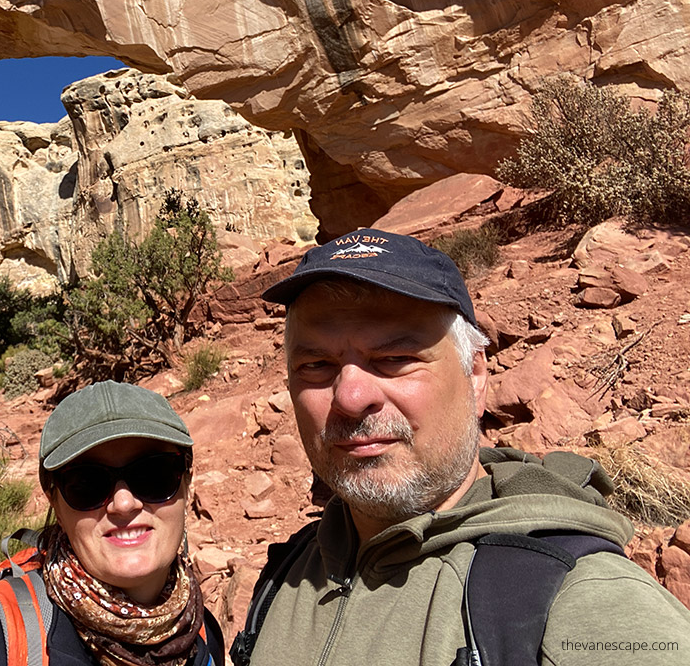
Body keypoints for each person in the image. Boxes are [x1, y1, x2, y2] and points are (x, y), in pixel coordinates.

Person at [242, 228, 690, 665]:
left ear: (476, 375)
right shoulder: (288, 574)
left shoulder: (576, 598)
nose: (351, 398)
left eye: (395, 359)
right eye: (316, 365)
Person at [0, 380, 224, 666]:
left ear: (187, 483)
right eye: (87, 483)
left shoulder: (199, 630)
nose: (123, 503)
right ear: (55, 503)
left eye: (153, 475)